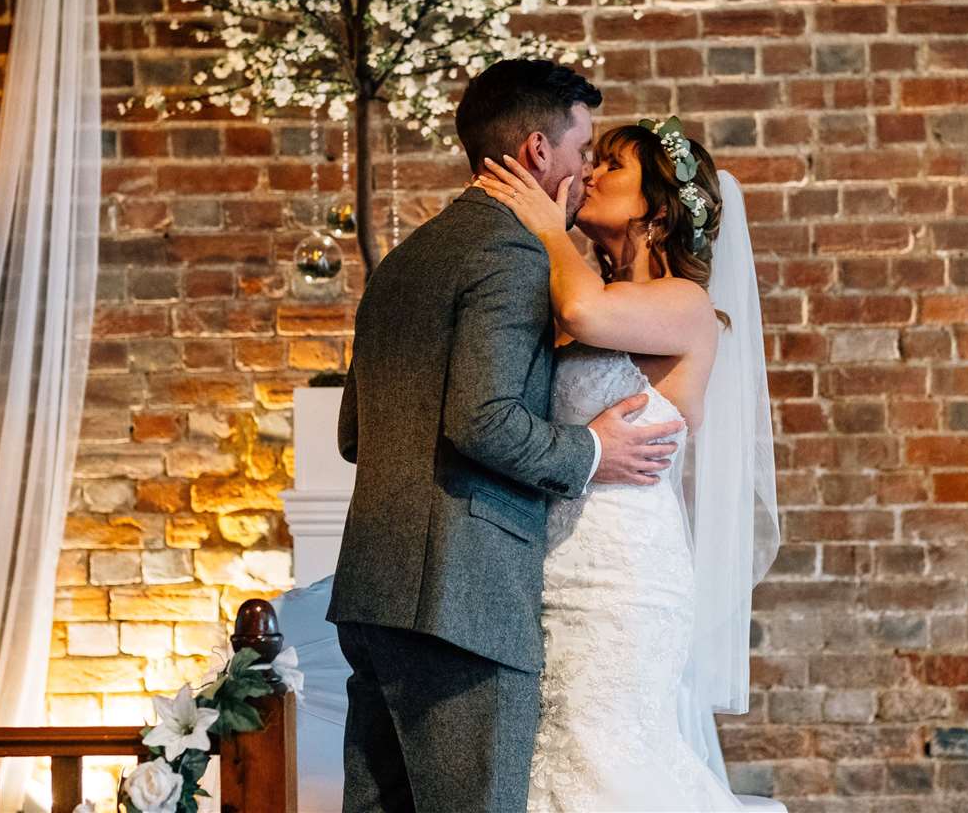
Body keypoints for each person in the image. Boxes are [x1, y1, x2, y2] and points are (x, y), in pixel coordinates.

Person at [327, 58, 687, 813]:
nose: (587, 168)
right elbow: (482, 420)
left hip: (371, 594)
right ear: (536, 153)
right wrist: (591, 450)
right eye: (583, 149)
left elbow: (356, 433)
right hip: (466, 601)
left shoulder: (401, 260)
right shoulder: (514, 253)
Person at [475, 115, 780, 811]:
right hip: (549, 561)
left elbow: (585, 313)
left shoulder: (686, 305)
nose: (589, 174)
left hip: (626, 577)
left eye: (612, 166)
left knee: (605, 753)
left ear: (656, 208)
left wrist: (543, 222)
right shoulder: (576, 291)